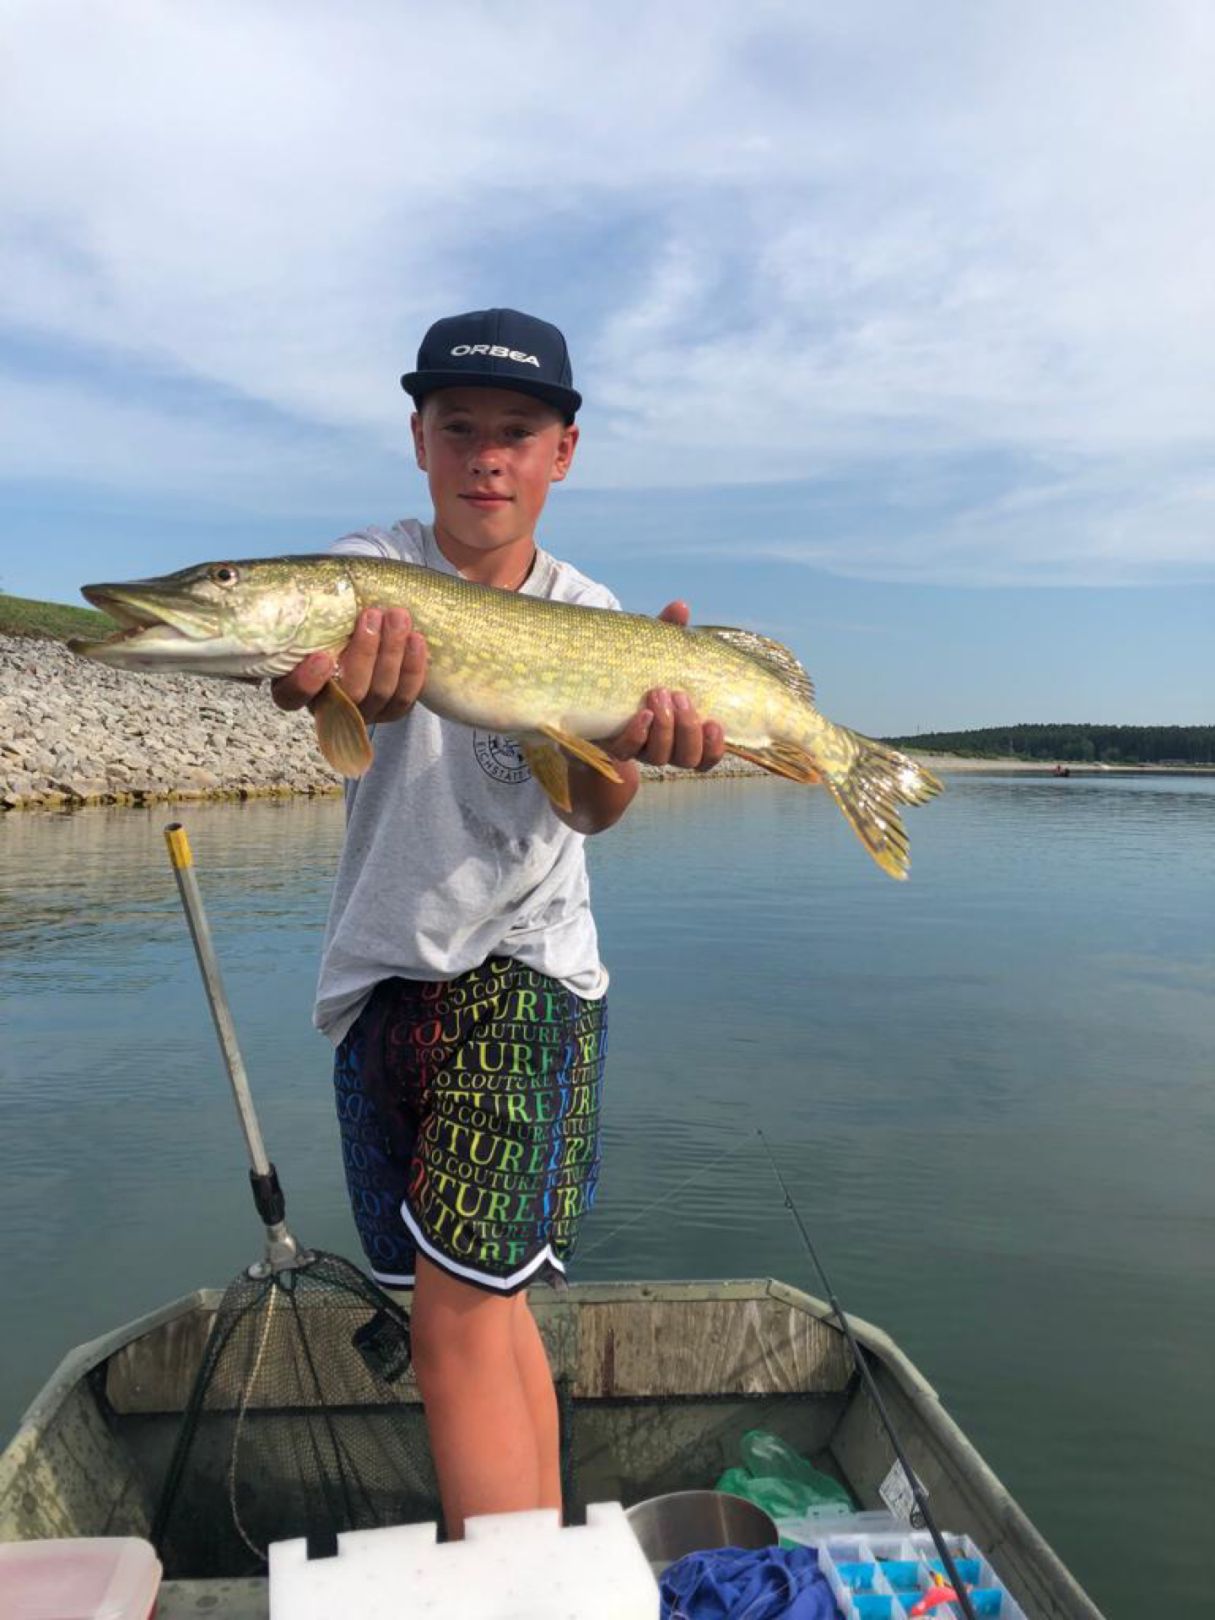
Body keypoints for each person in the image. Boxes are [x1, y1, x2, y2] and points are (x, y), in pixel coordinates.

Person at [271, 308, 724, 1538]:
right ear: (418, 439)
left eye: (515, 434)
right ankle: (544, 1568)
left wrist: (635, 747)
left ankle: (502, 1596)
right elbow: (308, 685)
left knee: (459, 1315)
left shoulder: (593, 610)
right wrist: (311, 674)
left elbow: (595, 807)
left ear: (561, 453)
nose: (486, 456)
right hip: (376, 983)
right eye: (459, 428)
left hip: (522, 974)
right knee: (471, 1306)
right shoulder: (372, 567)